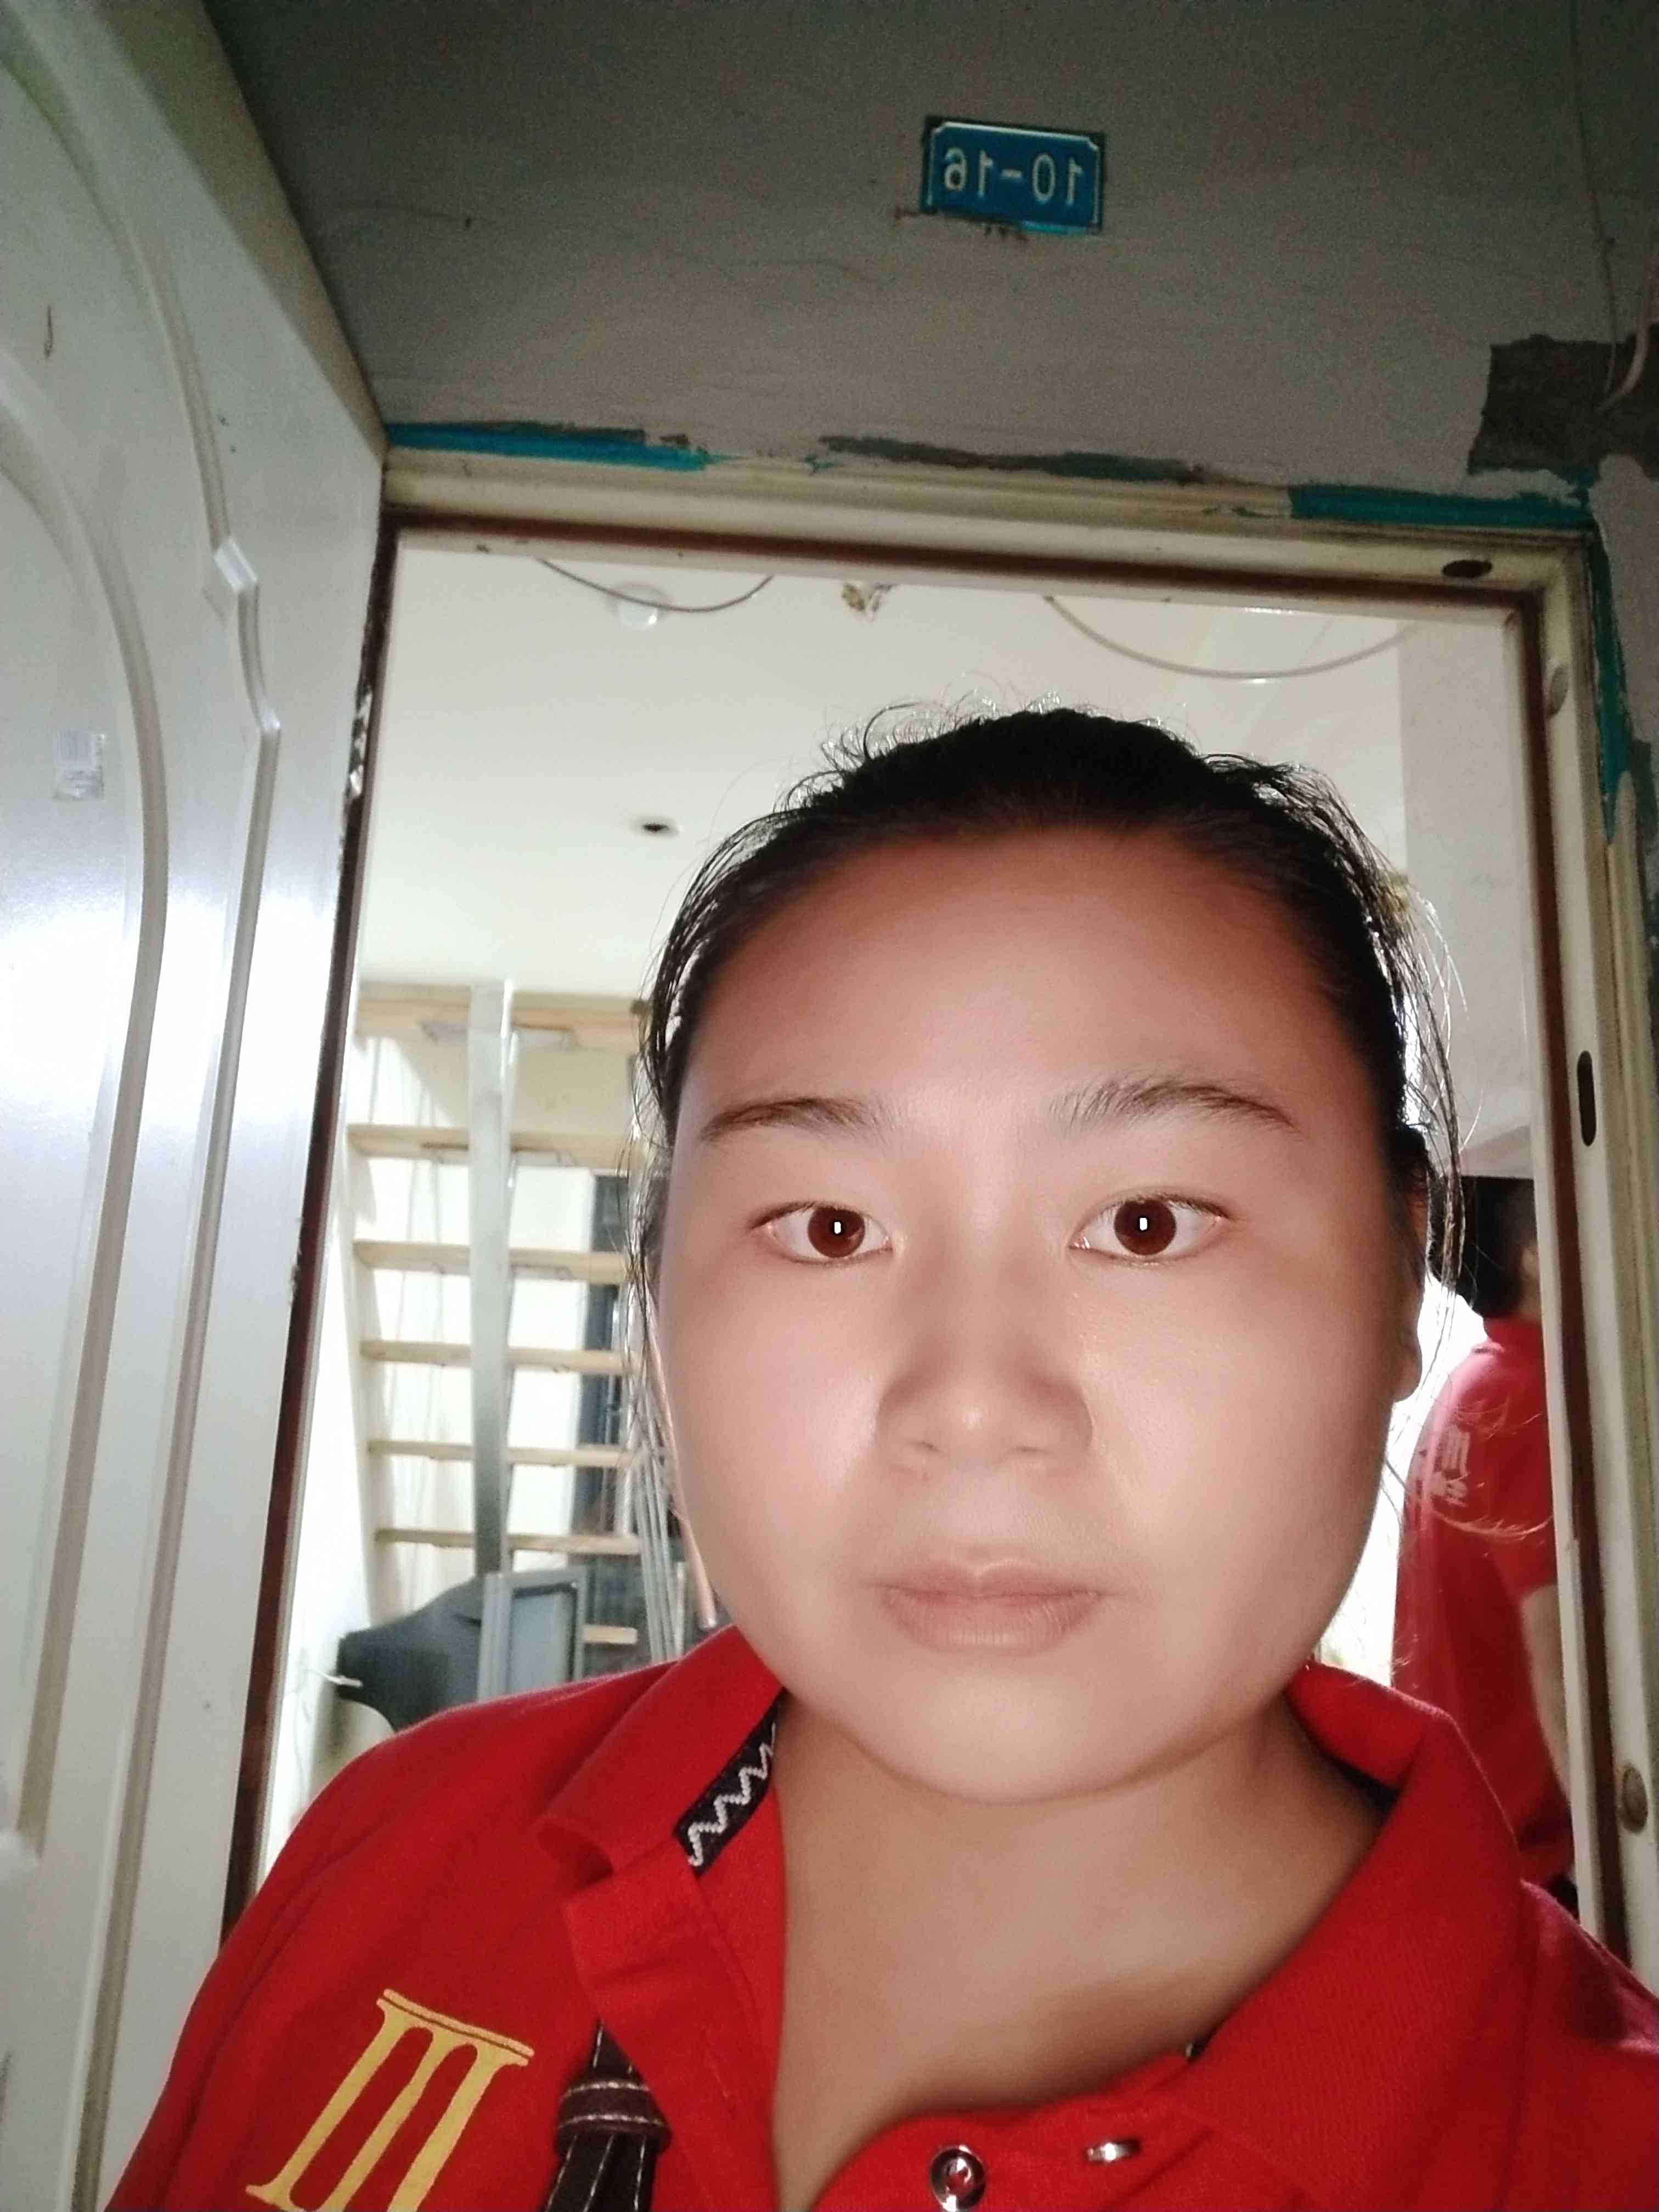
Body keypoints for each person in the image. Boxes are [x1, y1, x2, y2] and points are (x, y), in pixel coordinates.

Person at [114, 710, 1654, 2212]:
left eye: (1146, 1225)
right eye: (831, 1226)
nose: (972, 1404)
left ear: (1398, 1276)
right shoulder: (403, 1849)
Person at [1392, 1176, 1576, 1905]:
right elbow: (1559, 1663)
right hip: (1541, 1863)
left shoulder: (1474, 1387)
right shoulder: (1534, 1402)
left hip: (1468, 1835)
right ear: (1534, 1254)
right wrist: (1627, 1857)